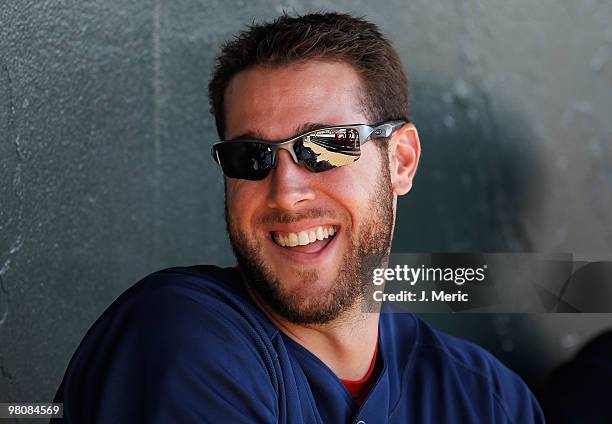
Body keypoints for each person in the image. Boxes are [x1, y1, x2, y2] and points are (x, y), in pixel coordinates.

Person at [54, 12, 544, 423]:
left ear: (400, 161)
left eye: (326, 146)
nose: (286, 195)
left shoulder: (488, 400)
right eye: (252, 156)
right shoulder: (179, 335)